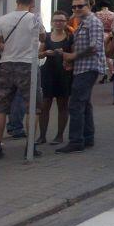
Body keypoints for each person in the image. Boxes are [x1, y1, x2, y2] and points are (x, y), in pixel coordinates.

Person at [0, 0, 43, 160]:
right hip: (27, 65)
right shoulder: (34, 18)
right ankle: (30, 147)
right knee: (32, 108)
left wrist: (8, 47)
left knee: (1, 109)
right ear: (32, 2)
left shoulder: (3, 19)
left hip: (6, 65)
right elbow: (43, 38)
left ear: (17, 0)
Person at [56, 0, 104, 155]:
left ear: (89, 6)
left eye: (80, 6)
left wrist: (73, 57)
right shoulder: (82, 22)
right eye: (74, 6)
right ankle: (87, 137)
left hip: (88, 67)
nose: (76, 9)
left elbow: (94, 46)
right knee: (85, 103)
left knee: (75, 104)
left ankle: (76, 141)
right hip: (82, 67)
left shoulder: (93, 22)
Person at [38, 10, 73, 145]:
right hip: (48, 73)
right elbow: (39, 54)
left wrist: (64, 53)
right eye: (56, 20)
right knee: (44, 105)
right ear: (52, 22)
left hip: (64, 74)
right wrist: (45, 52)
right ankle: (42, 136)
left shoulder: (70, 37)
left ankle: (59, 135)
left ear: (66, 22)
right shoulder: (46, 36)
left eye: (61, 20)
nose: (58, 23)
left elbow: (74, 54)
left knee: (62, 105)